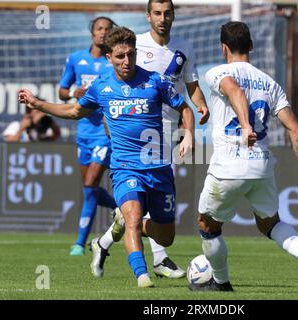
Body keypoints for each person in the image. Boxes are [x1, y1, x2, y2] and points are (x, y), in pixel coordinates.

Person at [18, 26, 194, 288]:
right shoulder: (101, 86)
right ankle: (142, 276)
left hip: (158, 168)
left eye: (131, 55)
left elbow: (184, 108)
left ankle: (104, 240)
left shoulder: (155, 81)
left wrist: (188, 134)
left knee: (166, 237)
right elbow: (74, 111)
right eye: (120, 56)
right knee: (133, 218)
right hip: (125, 168)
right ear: (109, 57)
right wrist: (38, 104)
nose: (127, 61)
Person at [188, 21, 298, 293]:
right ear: (251, 47)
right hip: (262, 165)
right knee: (271, 223)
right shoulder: (270, 83)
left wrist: (245, 126)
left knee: (207, 226)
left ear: (223, 48)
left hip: (229, 165)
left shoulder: (219, 72)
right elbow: (297, 132)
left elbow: (234, 89)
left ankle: (220, 282)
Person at [90, 0, 209, 279]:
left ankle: (105, 242)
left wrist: (200, 107)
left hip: (169, 130)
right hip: (138, 130)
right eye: (157, 13)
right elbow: (115, 85)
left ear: (173, 16)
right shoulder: (135, 46)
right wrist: (110, 123)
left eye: (167, 13)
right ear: (148, 17)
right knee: (141, 206)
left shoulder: (184, 47)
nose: (162, 18)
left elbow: (192, 87)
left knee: (151, 205)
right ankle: (158, 259)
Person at [59, 17, 118, 256]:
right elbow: (62, 92)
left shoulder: (113, 62)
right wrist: (74, 92)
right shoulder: (76, 59)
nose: (103, 33)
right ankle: (125, 207)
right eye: (100, 29)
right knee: (89, 189)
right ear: (92, 33)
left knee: (91, 182)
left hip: (104, 133)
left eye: (108, 30)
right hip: (83, 131)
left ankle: (80, 242)